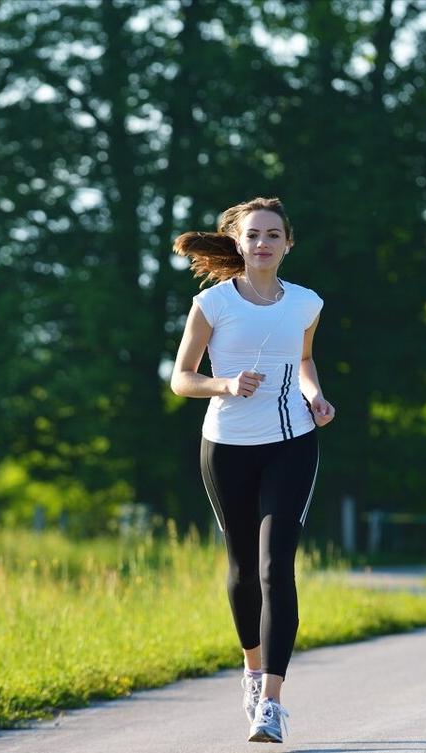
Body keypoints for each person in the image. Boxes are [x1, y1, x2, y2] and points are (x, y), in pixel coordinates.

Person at [170, 196, 335, 742]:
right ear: (237, 243)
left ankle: (272, 702)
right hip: (226, 446)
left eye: (272, 235)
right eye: (252, 235)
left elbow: (304, 359)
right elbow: (182, 378)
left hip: (292, 442)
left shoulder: (306, 303)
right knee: (242, 567)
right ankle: (251, 668)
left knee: (274, 568)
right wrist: (225, 384)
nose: (261, 244)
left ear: (288, 243)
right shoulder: (213, 305)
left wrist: (315, 396)